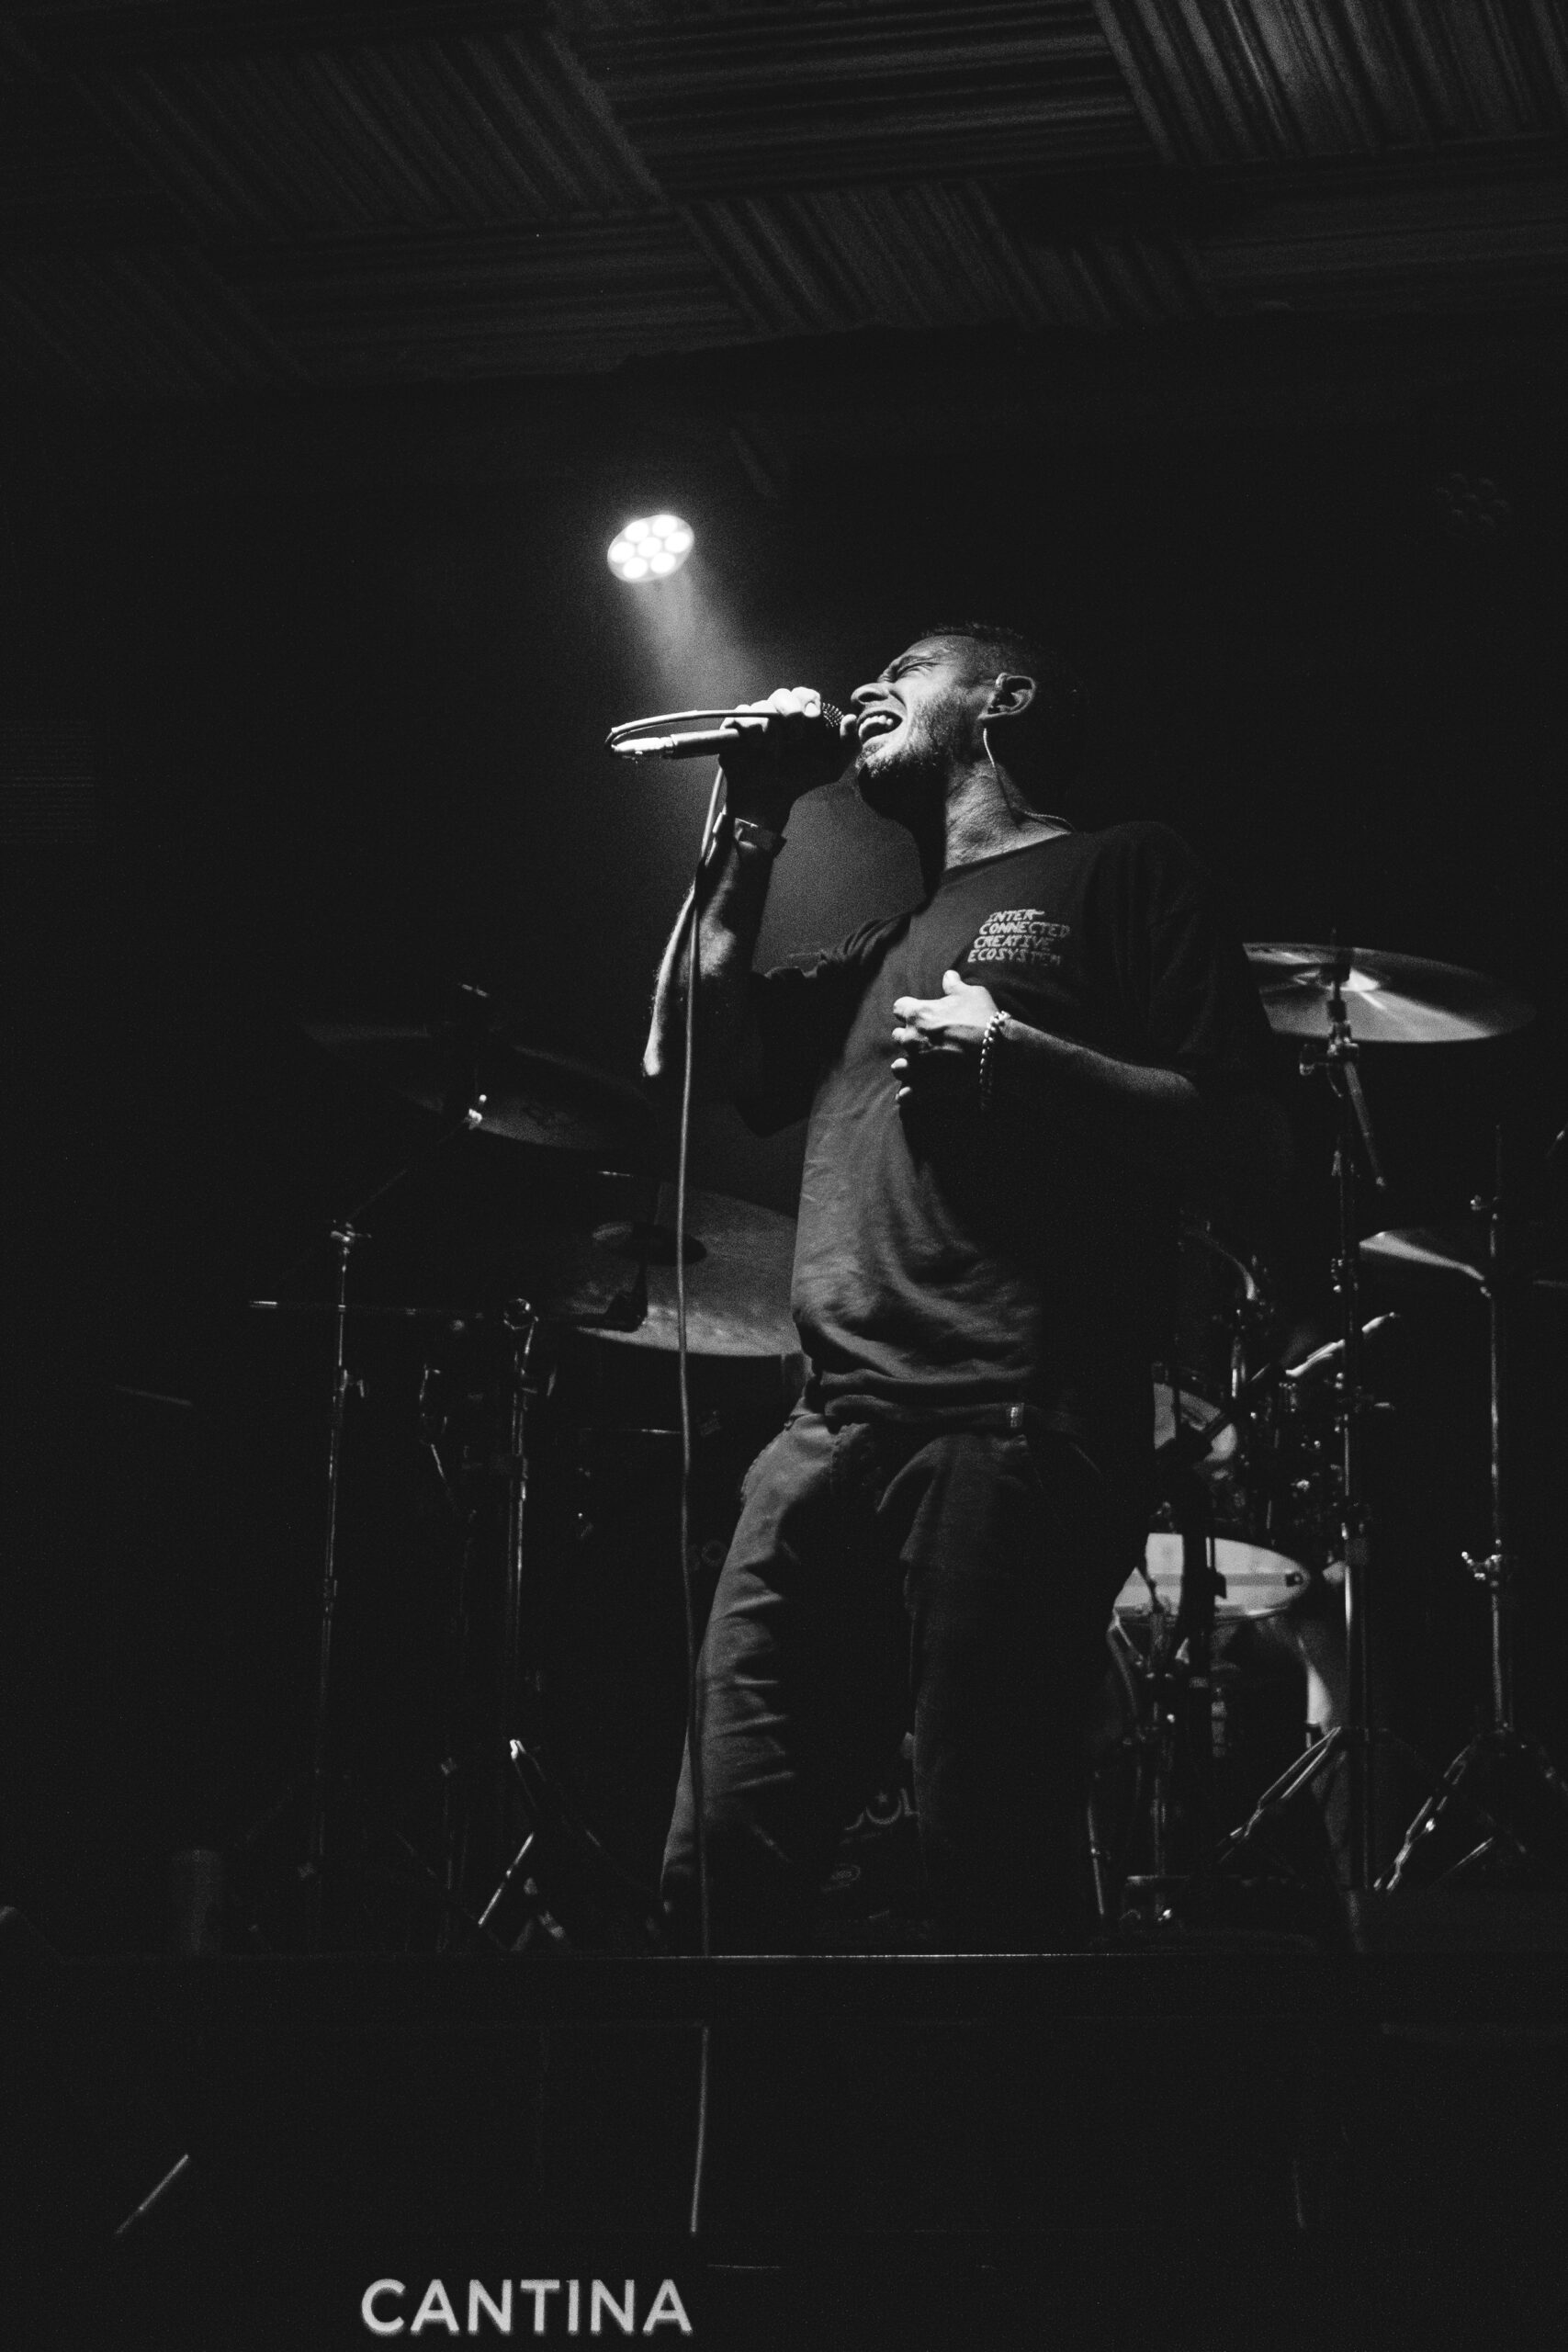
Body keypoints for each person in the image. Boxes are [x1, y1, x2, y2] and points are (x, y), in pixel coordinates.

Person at [643, 621, 1279, 1952]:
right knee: (723, 1861)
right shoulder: (877, 943)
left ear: (1007, 698)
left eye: (908, 667)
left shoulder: (1124, 866)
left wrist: (1026, 1057)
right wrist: (751, 818)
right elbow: (685, 1046)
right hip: (827, 1431)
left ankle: (1009, 2093)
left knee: (983, 1852)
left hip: (1011, 1418)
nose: (867, 688)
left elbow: (1238, 1128)